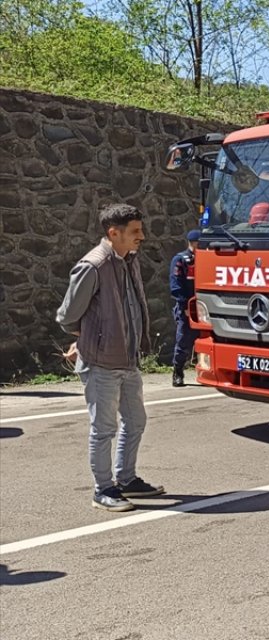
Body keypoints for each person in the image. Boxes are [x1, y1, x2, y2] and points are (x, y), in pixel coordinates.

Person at [55, 204, 165, 512]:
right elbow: (67, 316)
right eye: (135, 232)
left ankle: (126, 479)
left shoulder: (128, 259)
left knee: (136, 421)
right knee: (103, 429)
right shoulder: (94, 266)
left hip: (127, 360)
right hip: (101, 362)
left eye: (140, 230)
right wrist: (89, 338)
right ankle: (103, 490)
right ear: (113, 233)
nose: (141, 236)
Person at [169, 229, 200, 387]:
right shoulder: (181, 260)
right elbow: (176, 286)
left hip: (204, 306)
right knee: (183, 340)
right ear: (191, 243)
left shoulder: (205, 259)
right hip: (187, 307)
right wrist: (184, 305)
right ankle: (178, 372)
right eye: (197, 243)